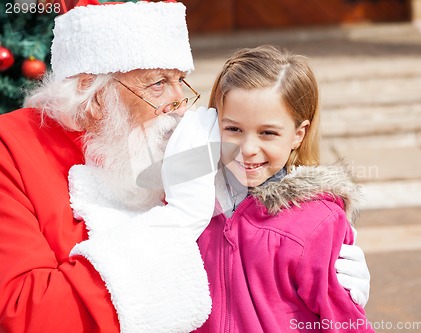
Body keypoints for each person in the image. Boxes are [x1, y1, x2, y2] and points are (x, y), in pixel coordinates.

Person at [0, 1, 370, 332]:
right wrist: (175, 222)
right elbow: (25, 314)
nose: (179, 102)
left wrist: (324, 273)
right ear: (94, 94)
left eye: (181, 80)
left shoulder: (165, 142)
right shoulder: (12, 150)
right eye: (159, 83)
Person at [194, 45, 375, 332]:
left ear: (297, 134)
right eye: (233, 129)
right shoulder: (189, 205)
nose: (248, 149)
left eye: (267, 133)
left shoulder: (317, 222)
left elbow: (343, 323)